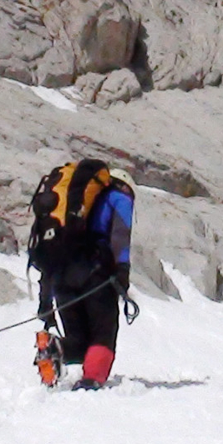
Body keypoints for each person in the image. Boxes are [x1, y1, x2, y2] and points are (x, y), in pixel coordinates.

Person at [30, 161, 136, 389]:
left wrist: (45, 303)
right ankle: (91, 381)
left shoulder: (74, 214)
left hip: (62, 277)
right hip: (95, 275)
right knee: (102, 334)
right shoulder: (120, 197)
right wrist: (122, 271)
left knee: (80, 340)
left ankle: (53, 346)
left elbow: (54, 255)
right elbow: (120, 234)